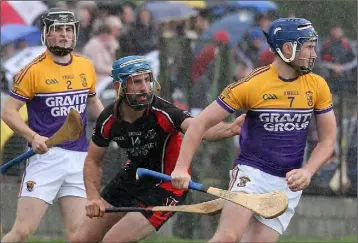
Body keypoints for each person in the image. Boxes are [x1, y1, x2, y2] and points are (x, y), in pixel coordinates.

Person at [171, 18, 337, 243]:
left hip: (288, 183)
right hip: (252, 174)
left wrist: (307, 171)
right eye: (308, 46)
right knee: (227, 238)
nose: (313, 53)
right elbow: (200, 124)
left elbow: (328, 141)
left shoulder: (317, 85)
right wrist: (181, 168)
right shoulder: (251, 84)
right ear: (288, 48)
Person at [70, 55, 245, 243]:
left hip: (168, 184)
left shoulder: (164, 112)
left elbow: (199, 128)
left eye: (147, 80)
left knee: (113, 241)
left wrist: (231, 128)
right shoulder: (108, 119)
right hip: (134, 176)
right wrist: (93, 198)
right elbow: (93, 161)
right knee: (80, 239)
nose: (145, 87)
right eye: (137, 82)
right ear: (119, 87)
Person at [1, 8, 104, 242]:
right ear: (46, 35)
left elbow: (93, 102)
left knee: (78, 233)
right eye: (57, 30)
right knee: (22, 231)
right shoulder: (32, 70)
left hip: (79, 158)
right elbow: (8, 112)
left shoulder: (85, 66)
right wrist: (32, 136)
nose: (64, 35)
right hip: (46, 157)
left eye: (68, 29)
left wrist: (113, 124)